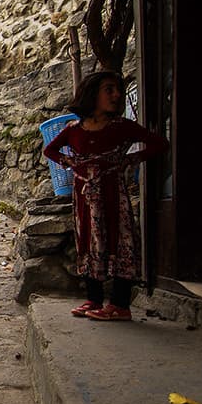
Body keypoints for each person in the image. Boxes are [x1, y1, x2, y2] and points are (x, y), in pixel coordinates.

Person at [42, 71, 169, 321]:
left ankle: (120, 305)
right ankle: (94, 298)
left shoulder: (121, 128)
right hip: (85, 197)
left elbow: (158, 144)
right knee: (88, 242)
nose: (116, 95)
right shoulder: (74, 130)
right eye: (108, 90)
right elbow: (50, 149)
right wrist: (72, 163)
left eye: (116, 90)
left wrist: (130, 160)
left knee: (119, 241)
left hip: (113, 195)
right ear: (92, 95)